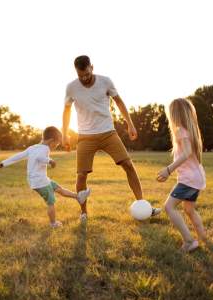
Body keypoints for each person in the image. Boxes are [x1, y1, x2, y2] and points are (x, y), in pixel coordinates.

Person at [63, 55, 161, 221]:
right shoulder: (71, 87)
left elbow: (119, 102)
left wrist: (130, 123)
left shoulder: (105, 81)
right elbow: (66, 110)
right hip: (86, 136)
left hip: (108, 132)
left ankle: (143, 205)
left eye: (87, 74)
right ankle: (83, 212)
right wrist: (64, 133)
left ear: (91, 67)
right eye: (81, 76)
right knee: (81, 175)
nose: (85, 78)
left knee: (128, 165)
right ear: (76, 73)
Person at [0, 126, 90, 228]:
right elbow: (40, 157)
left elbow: (18, 156)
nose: (57, 145)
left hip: (39, 180)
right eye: (57, 143)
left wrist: (3, 163)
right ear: (51, 141)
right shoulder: (45, 149)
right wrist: (49, 161)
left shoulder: (32, 148)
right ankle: (53, 223)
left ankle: (78, 197)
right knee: (51, 202)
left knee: (58, 188)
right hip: (40, 182)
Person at [157, 98, 207, 252]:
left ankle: (189, 241)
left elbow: (186, 153)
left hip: (189, 180)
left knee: (169, 207)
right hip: (197, 178)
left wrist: (168, 169)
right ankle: (203, 238)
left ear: (174, 115)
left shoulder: (180, 131)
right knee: (189, 209)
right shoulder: (190, 131)